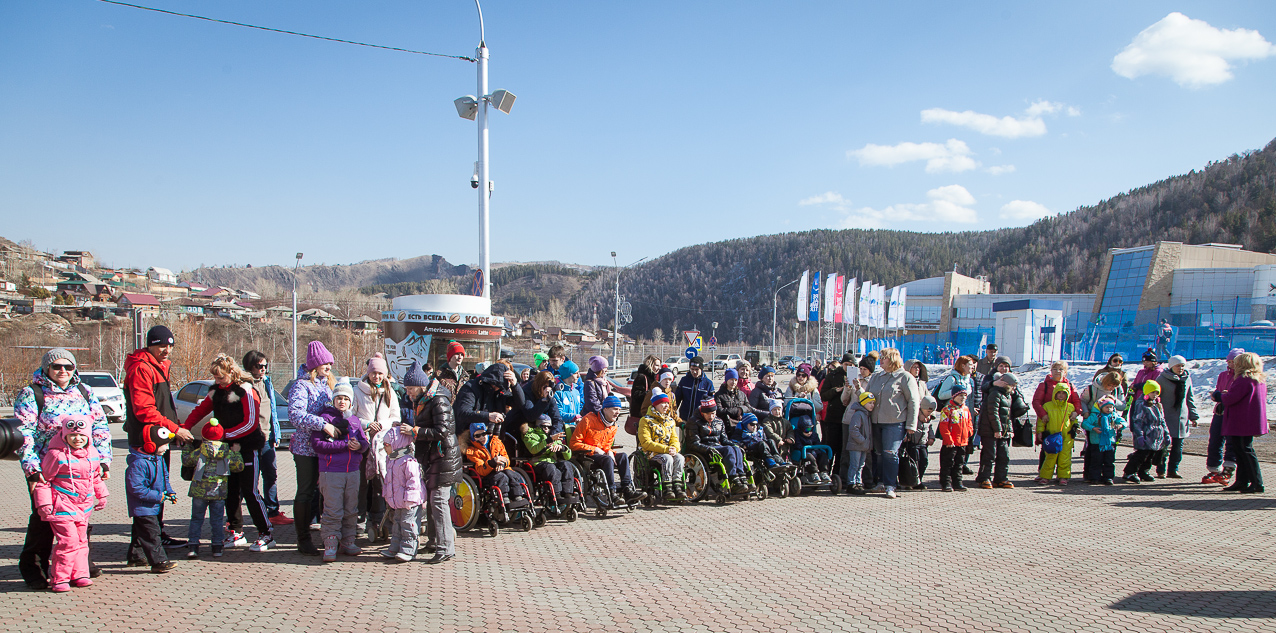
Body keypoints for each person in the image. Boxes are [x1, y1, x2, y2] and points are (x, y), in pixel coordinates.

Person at [15, 348, 112, 590]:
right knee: (44, 517)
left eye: (68, 367)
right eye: (57, 366)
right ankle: (34, 568)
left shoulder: (84, 391)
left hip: (81, 467)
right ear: (46, 368)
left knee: (80, 518)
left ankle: (79, 567)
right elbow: (24, 433)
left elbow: (100, 427)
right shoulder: (33, 393)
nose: (62, 371)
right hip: (48, 469)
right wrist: (32, 469)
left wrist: (102, 461)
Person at [181, 354, 273, 552]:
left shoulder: (246, 389)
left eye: (221, 377)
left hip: (246, 447)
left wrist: (224, 435)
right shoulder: (216, 391)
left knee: (250, 490)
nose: (218, 381)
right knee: (229, 490)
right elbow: (200, 410)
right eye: (215, 378)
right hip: (225, 449)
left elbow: (250, 423)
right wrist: (184, 428)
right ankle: (236, 531)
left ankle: (266, 533)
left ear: (231, 372)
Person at [122, 326, 191, 554]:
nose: (166, 350)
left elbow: (163, 405)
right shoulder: (141, 368)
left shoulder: (160, 366)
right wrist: (175, 429)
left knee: (157, 490)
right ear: (150, 345)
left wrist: (174, 429)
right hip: (146, 442)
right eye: (161, 345)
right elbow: (144, 410)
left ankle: (155, 538)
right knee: (147, 495)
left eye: (170, 346)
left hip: (160, 439)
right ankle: (141, 549)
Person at [32, 414, 108, 592]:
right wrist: (43, 504)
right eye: (73, 435)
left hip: (84, 505)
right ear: (64, 435)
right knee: (68, 541)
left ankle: (80, 574)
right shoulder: (56, 455)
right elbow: (44, 481)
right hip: (62, 504)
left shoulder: (92, 454)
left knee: (82, 540)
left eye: (82, 435)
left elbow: (95, 477)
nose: (77, 438)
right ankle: (60, 579)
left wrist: (102, 495)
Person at [404, 360, 460, 564]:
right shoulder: (424, 399)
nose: (408, 393)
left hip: (444, 456)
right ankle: (435, 541)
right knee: (433, 499)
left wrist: (416, 432)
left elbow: (443, 430)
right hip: (434, 456)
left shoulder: (437, 400)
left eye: (410, 388)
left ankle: (446, 548)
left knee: (438, 501)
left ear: (420, 385)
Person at [287, 340, 337, 555]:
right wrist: (322, 424)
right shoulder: (301, 386)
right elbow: (295, 415)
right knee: (306, 492)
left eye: (330, 363)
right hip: (305, 449)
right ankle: (303, 539)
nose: (329, 367)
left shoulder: (327, 385)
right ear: (314, 365)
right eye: (325, 363)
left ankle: (326, 535)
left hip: (325, 447)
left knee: (324, 492)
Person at [313, 382, 370, 562]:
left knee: (351, 509)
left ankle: (348, 541)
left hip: (353, 471)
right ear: (333, 400)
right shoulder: (325, 419)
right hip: (331, 472)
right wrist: (345, 445)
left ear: (351, 402)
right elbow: (318, 445)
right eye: (339, 398)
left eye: (346, 398)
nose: (342, 402)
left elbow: (364, 442)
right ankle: (330, 544)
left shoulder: (354, 421)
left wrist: (360, 446)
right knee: (333, 509)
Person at [350, 352, 400, 542]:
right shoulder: (358, 391)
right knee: (362, 482)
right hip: (363, 442)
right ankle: (359, 520)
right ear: (368, 373)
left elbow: (395, 417)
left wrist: (382, 425)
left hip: (381, 445)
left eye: (380, 373)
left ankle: (378, 519)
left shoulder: (390, 392)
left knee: (381, 482)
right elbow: (351, 415)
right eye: (374, 373)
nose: (376, 377)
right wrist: (367, 424)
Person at [182, 419, 244, 558]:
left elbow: (186, 460)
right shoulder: (227, 452)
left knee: (196, 519)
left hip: (199, 491)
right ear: (221, 436)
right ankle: (217, 547)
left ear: (203, 437)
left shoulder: (200, 451)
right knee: (216, 520)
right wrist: (236, 452)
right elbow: (239, 467)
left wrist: (187, 446)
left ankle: (193, 546)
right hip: (218, 492)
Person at [242, 351, 291, 528]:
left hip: (267, 437)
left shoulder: (267, 383)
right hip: (250, 439)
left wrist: (275, 434)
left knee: (270, 474)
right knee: (248, 478)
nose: (263, 369)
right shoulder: (244, 386)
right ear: (250, 367)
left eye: (265, 366)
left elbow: (272, 411)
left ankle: (273, 512)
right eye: (259, 366)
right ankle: (234, 518)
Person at [570, 395, 647, 506]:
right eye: (615, 409)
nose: (618, 412)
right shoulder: (588, 420)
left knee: (623, 456)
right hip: (586, 456)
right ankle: (612, 492)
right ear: (605, 409)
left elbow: (607, 445)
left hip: (602, 455)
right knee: (607, 459)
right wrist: (594, 449)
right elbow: (574, 444)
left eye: (619, 409)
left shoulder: (613, 426)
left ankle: (627, 490)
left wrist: (609, 450)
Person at [125, 424, 178, 573]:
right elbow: (136, 488)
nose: (167, 448)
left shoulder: (158, 458)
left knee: (140, 531)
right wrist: (159, 496)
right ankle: (159, 562)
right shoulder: (138, 463)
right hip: (142, 506)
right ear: (151, 445)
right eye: (164, 445)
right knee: (152, 534)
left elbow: (164, 477)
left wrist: (169, 491)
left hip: (152, 504)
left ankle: (135, 557)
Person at [868, 349, 919, 500]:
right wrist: (857, 390)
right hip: (876, 421)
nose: (881, 360)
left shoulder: (905, 377)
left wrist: (911, 425)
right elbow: (867, 396)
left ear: (892, 359)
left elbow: (913, 401)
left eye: (884, 358)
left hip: (895, 423)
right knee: (879, 454)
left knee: (890, 453)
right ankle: (881, 482)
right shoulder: (876, 376)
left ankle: (891, 485)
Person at [1221, 352, 1267, 493]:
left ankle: (1256, 482)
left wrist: (1220, 396)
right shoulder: (1257, 379)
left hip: (1241, 420)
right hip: (1249, 419)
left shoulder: (1244, 379)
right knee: (1241, 450)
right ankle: (1242, 481)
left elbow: (1232, 398)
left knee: (1244, 450)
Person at [379, 423, 423, 562]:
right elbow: (389, 481)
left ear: (397, 444)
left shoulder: (408, 461)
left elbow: (414, 483)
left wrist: (410, 499)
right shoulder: (391, 460)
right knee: (397, 522)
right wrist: (387, 495)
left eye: (387, 445)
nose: (385, 447)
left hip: (409, 502)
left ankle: (409, 549)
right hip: (398, 501)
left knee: (408, 523)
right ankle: (395, 546)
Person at [686, 399, 750, 493]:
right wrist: (708, 449)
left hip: (718, 446)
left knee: (736, 449)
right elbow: (693, 443)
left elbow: (724, 440)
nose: (711, 416)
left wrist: (736, 445)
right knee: (728, 449)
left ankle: (742, 477)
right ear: (702, 413)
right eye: (708, 414)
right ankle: (733, 479)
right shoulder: (694, 421)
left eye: (713, 413)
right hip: (704, 449)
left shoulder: (719, 421)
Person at [1204, 348, 1245, 485]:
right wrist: (1217, 395)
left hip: (1233, 412)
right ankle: (1214, 468)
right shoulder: (1223, 375)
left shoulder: (1242, 377)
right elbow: (1219, 390)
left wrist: (1226, 395)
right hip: (1220, 410)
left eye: (1234, 361)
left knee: (1231, 441)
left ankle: (1228, 469)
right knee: (1215, 439)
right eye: (1229, 361)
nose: (1231, 364)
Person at [455, 362, 526, 438]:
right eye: (494, 385)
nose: (496, 388)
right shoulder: (471, 387)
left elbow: (520, 404)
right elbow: (463, 413)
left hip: (494, 437)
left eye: (499, 386)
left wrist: (515, 385)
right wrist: (488, 416)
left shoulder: (500, 390)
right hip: (471, 436)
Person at [637, 393, 686, 501]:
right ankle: (667, 488)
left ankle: (677, 486)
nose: (666, 406)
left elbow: (674, 439)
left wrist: (674, 448)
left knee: (680, 457)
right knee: (667, 458)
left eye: (667, 403)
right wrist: (666, 449)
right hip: (651, 453)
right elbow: (646, 442)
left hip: (668, 451)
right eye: (662, 403)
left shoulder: (670, 421)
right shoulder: (646, 420)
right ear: (655, 405)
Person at [1155, 355, 1197, 479]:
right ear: (1171, 366)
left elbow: (1189, 398)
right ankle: (1161, 469)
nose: (1181, 368)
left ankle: (1173, 469)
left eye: (1182, 366)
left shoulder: (1187, 379)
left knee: (1178, 446)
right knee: (1163, 445)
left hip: (1181, 418)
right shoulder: (1161, 379)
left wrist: (1193, 416)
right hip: (1165, 417)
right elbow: (1155, 398)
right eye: (1178, 366)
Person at [524, 413, 575, 509]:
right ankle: (556, 495)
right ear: (538, 426)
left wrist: (562, 448)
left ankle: (567, 493)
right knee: (551, 469)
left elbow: (568, 456)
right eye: (544, 427)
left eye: (549, 427)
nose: (547, 429)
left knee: (566, 464)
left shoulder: (553, 436)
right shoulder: (530, 435)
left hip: (552, 461)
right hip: (537, 462)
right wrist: (548, 442)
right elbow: (534, 449)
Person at [976, 373, 1016, 489]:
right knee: (989, 455)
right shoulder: (995, 393)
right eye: (1012, 385)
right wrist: (997, 429)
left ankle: (1001, 478)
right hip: (990, 430)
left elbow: (1008, 415)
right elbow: (992, 412)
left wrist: (1009, 430)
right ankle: (984, 478)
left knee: (1004, 455)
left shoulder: (1007, 395)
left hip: (1003, 431)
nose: (1014, 388)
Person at [1123, 381, 1168, 484]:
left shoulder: (1157, 405)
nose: (1155, 395)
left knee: (1150, 455)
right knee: (1141, 454)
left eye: (1157, 393)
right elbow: (1137, 421)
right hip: (1146, 434)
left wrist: (1166, 433)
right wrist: (1139, 435)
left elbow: (1162, 420)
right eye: (1153, 392)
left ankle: (1143, 471)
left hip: (1156, 435)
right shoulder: (1141, 404)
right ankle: (1129, 472)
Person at [1035, 382, 1078, 485]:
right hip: (1052, 435)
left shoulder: (1070, 407)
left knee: (1065, 458)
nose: (1061, 395)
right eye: (1059, 393)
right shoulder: (1047, 406)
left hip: (1066, 436)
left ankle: (1063, 476)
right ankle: (1045, 476)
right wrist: (1040, 432)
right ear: (1055, 393)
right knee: (1050, 457)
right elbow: (1041, 421)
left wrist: (1076, 428)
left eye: (1064, 393)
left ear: (1067, 395)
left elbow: (1073, 420)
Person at [1081, 397, 1123, 485]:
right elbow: (1085, 424)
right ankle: (1094, 477)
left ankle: (1108, 477)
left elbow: (1122, 421)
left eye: (1111, 407)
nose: (1109, 409)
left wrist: (1120, 425)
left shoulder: (1113, 416)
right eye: (1106, 407)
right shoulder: (1095, 416)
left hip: (1109, 443)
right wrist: (1093, 428)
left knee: (1109, 461)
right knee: (1096, 461)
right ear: (1101, 407)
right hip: (1097, 442)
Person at [937, 387, 972, 492]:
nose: (963, 398)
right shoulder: (947, 409)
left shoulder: (965, 409)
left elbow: (969, 422)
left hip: (962, 442)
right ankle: (946, 483)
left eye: (965, 396)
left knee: (959, 464)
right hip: (951, 443)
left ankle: (958, 483)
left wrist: (969, 432)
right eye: (960, 395)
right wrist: (948, 439)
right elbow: (944, 426)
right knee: (947, 464)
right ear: (954, 396)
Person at [842, 392, 874, 495]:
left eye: (873, 403)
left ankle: (858, 482)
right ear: (863, 403)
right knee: (854, 465)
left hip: (863, 446)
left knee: (861, 465)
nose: (872, 405)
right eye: (869, 403)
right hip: (856, 445)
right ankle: (851, 483)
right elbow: (853, 429)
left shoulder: (867, 414)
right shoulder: (858, 414)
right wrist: (862, 440)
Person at [791, 417, 833, 486]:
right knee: (809, 457)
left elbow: (818, 444)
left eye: (811, 429)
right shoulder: (797, 434)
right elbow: (797, 445)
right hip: (804, 453)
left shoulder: (814, 435)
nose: (809, 432)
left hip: (814, 451)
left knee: (823, 454)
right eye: (806, 430)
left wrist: (817, 450)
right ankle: (814, 473)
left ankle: (824, 472)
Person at [677, 357, 715, 421]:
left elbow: (711, 404)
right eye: (692, 369)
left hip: (700, 419)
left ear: (701, 369)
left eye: (697, 369)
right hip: (685, 417)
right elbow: (677, 399)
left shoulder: (708, 383)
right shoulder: (684, 380)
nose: (694, 372)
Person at [629, 355, 662, 420]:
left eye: (659, 366)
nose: (659, 368)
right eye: (657, 365)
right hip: (641, 414)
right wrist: (651, 393)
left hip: (651, 413)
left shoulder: (655, 378)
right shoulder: (642, 377)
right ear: (650, 364)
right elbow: (637, 395)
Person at [553, 361, 583, 426]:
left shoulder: (576, 391)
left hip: (575, 427)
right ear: (567, 375)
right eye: (575, 373)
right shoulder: (557, 393)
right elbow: (558, 413)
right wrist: (574, 417)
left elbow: (579, 410)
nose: (578, 376)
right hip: (562, 429)